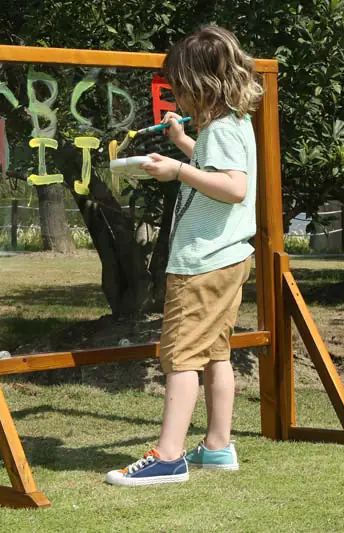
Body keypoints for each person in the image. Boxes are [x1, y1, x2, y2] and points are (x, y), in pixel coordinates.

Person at [105, 25, 263, 487]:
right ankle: (217, 446)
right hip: (227, 256)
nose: (176, 94)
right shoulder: (231, 125)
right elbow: (217, 168)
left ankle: (169, 456)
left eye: (179, 85)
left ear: (199, 85)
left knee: (180, 356)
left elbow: (234, 187)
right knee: (215, 353)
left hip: (204, 261)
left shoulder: (222, 129)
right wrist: (182, 148)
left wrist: (176, 171)